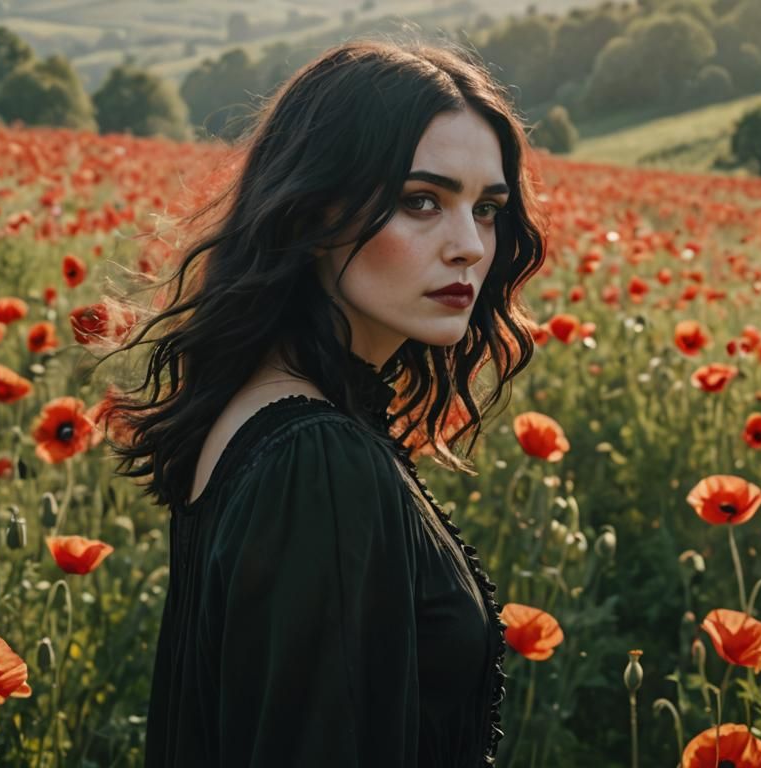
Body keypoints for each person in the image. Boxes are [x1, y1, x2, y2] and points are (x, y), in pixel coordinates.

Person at [104, 37, 548, 767]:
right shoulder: (317, 462)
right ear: (313, 213)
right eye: (422, 202)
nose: (469, 244)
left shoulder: (255, 410)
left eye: (489, 209)